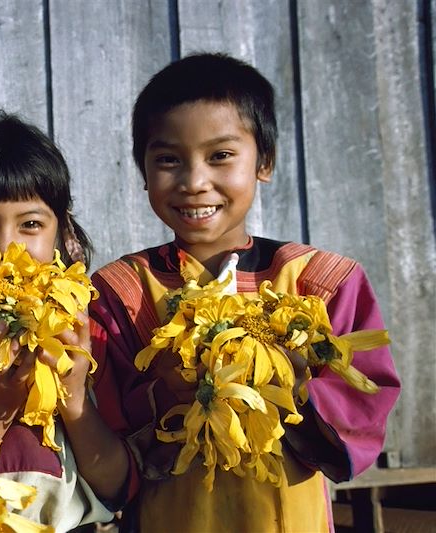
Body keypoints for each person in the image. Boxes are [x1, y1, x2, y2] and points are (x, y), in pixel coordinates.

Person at [89, 53, 401, 532]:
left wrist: (293, 383)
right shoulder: (120, 293)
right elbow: (101, 423)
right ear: (143, 171)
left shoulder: (322, 282)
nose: (195, 182)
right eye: (168, 159)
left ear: (265, 162)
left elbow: (364, 400)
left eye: (220, 156)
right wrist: (164, 390)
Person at [0, 112, 138, 532]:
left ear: (63, 233)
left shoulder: (84, 332)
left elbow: (118, 488)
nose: (5, 246)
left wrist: (73, 398)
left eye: (31, 224)